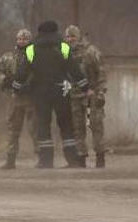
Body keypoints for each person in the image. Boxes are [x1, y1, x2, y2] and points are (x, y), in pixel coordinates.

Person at [13, 20, 89, 169]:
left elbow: (23, 71)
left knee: (43, 125)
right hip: (62, 89)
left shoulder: (31, 49)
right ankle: (72, 159)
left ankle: (46, 160)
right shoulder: (63, 47)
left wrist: (16, 88)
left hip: (40, 92)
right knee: (66, 125)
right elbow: (73, 68)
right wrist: (85, 86)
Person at [64, 25, 108, 168]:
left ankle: (100, 157)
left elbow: (101, 72)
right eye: (68, 37)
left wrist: (100, 92)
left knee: (96, 125)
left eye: (73, 36)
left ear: (78, 37)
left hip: (92, 94)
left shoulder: (91, 52)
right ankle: (81, 157)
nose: (70, 39)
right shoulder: (66, 53)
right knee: (77, 128)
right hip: (75, 95)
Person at [0, 28, 34, 170]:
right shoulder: (8, 57)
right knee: (13, 130)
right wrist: (5, 80)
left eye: (25, 39)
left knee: (34, 128)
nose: (22, 41)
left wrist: (31, 85)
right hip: (14, 98)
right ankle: (10, 160)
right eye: (19, 39)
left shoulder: (34, 56)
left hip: (31, 98)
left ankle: (42, 158)